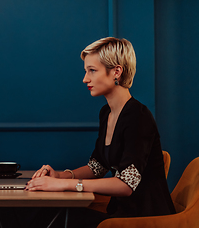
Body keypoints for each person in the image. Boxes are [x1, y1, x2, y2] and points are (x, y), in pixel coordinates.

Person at [24, 37, 176, 227]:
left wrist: (65, 185)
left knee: (55, 219)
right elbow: (97, 167)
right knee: (44, 214)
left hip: (143, 218)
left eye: (92, 71)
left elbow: (125, 185)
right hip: (118, 212)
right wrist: (60, 176)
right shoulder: (107, 112)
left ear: (116, 72)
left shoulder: (138, 116)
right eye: (86, 71)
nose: (85, 79)